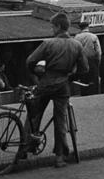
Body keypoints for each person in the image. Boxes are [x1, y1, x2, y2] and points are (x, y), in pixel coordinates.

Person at [25, 12, 90, 168]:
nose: (52, 29)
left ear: (59, 26)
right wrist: (71, 76)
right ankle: (59, 157)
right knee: (60, 120)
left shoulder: (48, 43)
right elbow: (85, 68)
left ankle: (26, 147)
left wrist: (37, 74)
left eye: (53, 26)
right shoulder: (76, 45)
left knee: (34, 115)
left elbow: (30, 60)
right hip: (63, 86)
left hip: (46, 82)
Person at [74, 19, 102, 95]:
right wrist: (98, 62)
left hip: (81, 61)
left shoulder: (77, 37)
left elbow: (75, 50)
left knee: (83, 81)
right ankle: (93, 94)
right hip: (92, 61)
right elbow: (98, 51)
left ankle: (84, 94)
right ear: (87, 27)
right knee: (93, 81)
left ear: (80, 28)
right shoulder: (93, 36)